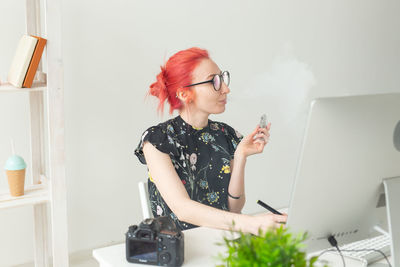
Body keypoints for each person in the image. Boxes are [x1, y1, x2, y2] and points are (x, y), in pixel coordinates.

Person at [134, 47, 287, 235]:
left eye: (222, 78)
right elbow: (183, 210)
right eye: (214, 81)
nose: (226, 88)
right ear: (184, 94)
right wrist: (251, 223)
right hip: (182, 247)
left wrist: (240, 156)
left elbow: (234, 209)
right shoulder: (157, 140)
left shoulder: (225, 134)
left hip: (223, 238)